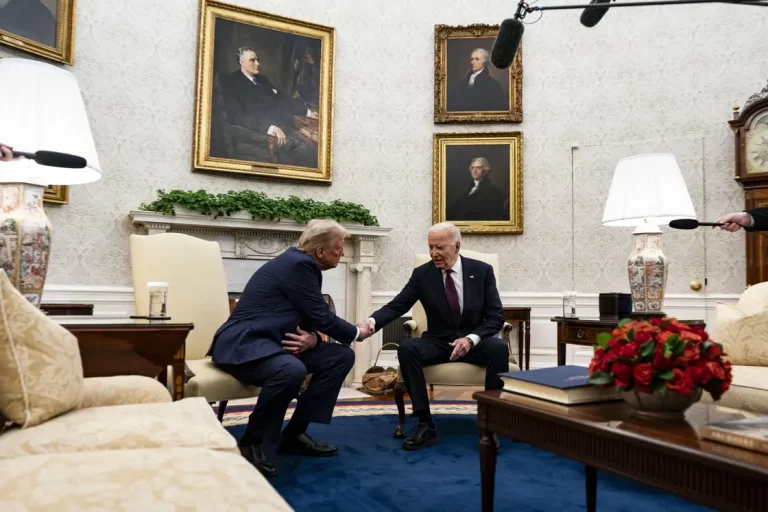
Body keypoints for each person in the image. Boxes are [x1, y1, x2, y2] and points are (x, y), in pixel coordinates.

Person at [207, 219, 374, 477]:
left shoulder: (301, 264)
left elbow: (309, 318)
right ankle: (252, 442)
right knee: (290, 369)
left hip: (273, 344)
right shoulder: (299, 265)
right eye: (339, 248)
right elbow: (321, 316)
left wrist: (315, 340)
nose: (342, 253)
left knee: (340, 356)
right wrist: (356, 332)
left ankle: (294, 434)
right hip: (245, 344)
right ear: (320, 251)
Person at [365, 222, 508, 450]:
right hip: (438, 342)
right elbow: (397, 305)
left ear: (457, 246)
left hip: (473, 342)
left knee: (499, 348)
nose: (433, 253)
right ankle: (425, 424)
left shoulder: (481, 271)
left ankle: (490, 424)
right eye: (431, 247)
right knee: (408, 347)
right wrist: (371, 323)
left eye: (440, 247)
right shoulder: (423, 275)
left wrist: (471, 339)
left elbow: (495, 317)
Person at [221, 46, 318, 168]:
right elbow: (237, 116)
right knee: (308, 154)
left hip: (285, 128)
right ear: (242, 62)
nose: (258, 63)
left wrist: (307, 112)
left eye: (257, 60)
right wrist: (270, 128)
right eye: (252, 60)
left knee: (315, 146)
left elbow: (281, 97)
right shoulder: (232, 83)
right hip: (264, 135)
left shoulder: (262, 79)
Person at [446, 157, 508, 222]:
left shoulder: (493, 192)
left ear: (485, 171)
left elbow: (489, 216)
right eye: (472, 168)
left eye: (479, 168)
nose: (475, 171)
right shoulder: (467, 188)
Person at [447, 48, 506, 112]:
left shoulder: (492, 84)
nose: (472, 62)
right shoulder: (465, 80)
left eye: (477, 59)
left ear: (484, 62)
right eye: (472, 59)